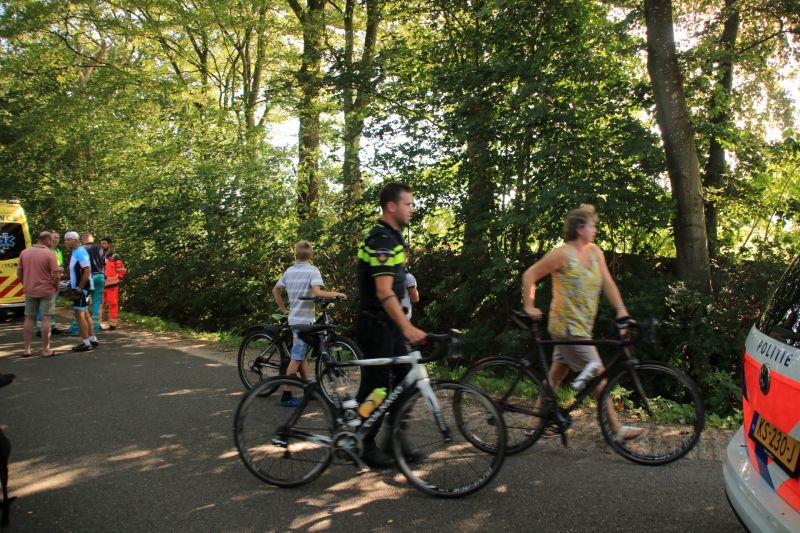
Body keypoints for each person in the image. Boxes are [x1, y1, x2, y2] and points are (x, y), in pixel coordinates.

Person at [522, 204, 643, 441]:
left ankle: (533, 423)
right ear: (580, 228)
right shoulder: (562, 254)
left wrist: (622, 311)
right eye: (592, 225)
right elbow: (530, 274)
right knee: (597, 374)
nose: (596, 229)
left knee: (558, 373)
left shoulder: (595, 252)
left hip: (582, 326)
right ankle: (616, 429)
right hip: (566, 327)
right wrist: (529, 305)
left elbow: (607, 281)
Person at [355, 182, 426, 468]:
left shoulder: (393, 239)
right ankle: (363, 441)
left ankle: (395, 440)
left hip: (390, 326)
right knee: (377, 389)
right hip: (377, 326)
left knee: (408, 379)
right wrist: (407, 328)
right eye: (408, 204)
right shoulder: (382, 240)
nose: (412, 209)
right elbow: (384, 292)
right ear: (392, 206)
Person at [272, 241, 347, 407]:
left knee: (303, 354)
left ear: (296, 256)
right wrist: (336, 293)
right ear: (311, 256)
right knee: (297, 356)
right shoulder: (313, 270)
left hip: (295, 319)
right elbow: (318, 292)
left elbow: (275, 290)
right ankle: (286, 395)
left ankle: (308, 389)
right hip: (303, 321)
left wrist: (284, 310)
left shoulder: (289, 271)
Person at [17, 231, 60, 357]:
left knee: (29, 318)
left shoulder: (24, 252)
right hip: (46, 290)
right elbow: (56, 275)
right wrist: (55, 287)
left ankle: (26, 350)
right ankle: (45, 349)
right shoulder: (49, 254)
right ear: (48, 241)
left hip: (30, 290)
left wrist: (25, 283)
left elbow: (19, 271)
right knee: (46, 317)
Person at [64, 231, 97, 352]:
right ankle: (92, 339)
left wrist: (79, 288)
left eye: (68, 240)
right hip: (79, 287)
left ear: (75, 240)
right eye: (65, 240)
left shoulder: (81, 251)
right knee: (85, 313)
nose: (66, 242)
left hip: (81, 288)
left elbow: (87, 270)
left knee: (79, 314)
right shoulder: (75, 252)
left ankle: (86, 342)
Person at [36, 231, 64, 337]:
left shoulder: (58, 251)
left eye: (57, 238)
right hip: (46, 282)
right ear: (49, 240)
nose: (56, 240)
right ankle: (40, 328)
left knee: (53, 305)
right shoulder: (44, 251)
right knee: (42, 307)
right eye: (54, 238)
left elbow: (61, 267)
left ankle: (52, 327)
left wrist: (59, 269)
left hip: (56, 281)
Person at [100, 237, 126, 330]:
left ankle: (113, 324)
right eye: (101, 243)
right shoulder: (99, 256)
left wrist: (117, 278)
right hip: (100, 285)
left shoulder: (115, 257)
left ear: (109, 244)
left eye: (104, 243)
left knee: (113, 304)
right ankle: (97, 324)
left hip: (112, 285)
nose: (102, 245)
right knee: (98, 304)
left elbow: (121, 271)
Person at [399, 247, 419, 322]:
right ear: (407, 259)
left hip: (401, 317)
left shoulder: (408, 278)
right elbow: (415, 298)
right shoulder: (409, 278)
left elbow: (415, 298)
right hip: (402, 317)